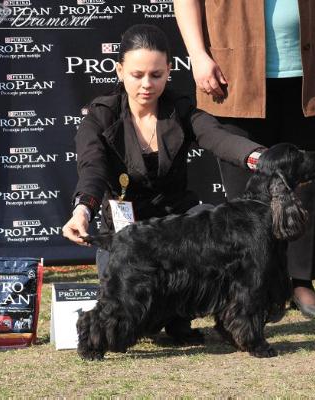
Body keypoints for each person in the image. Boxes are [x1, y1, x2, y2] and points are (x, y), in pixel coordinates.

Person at [174, 0, 315, 318]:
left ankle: (301, 282)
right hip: (234, 75)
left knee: (305, 185)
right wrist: (198, 54)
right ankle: (251, 288)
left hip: (310, 71)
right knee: (246, 199)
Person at [62, 24, 264, 280]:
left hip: (177, 229)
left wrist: (260, 158)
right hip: (125, 234)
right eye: (137, 75)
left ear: (169, 70)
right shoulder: (100, 116)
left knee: (211, 226)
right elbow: (92, 168)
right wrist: (82, 211)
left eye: (156, 75)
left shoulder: (180, 109)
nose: (147, 84)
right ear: (120, 71)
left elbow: (218, 137)